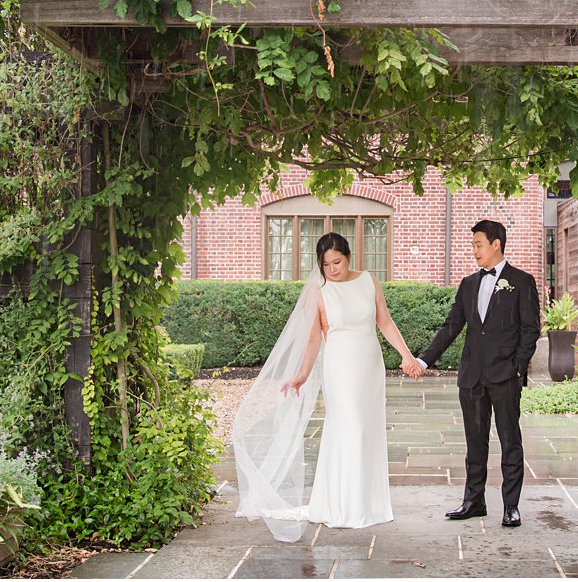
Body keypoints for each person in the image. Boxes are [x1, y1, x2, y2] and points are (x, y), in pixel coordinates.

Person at [231, 232, 422, 541]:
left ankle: (367, 504)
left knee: (367, 430)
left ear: (349, 256)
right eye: (326, 264)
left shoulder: (368, 281)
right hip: (340, 367)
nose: (333, 269)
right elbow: (313, 337)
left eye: (338, 261)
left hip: (369, 367)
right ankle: (341, 507)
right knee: (351, 427)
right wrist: (303, 374)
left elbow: (384, 321)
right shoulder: (317, 291)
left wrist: (406, 355)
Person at [410, 218, 540, 527]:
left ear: (496, 244)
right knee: (474, 442)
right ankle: (474, 501)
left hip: (504, 375)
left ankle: (511, 506)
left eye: (478, 245)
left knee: (510, 440)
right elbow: (451, 326)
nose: (474, 251)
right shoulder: (468, 284)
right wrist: (424, 361)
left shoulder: (521, 281)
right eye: (473, 245)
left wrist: (517, 367)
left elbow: (530, 330)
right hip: (472, 376)